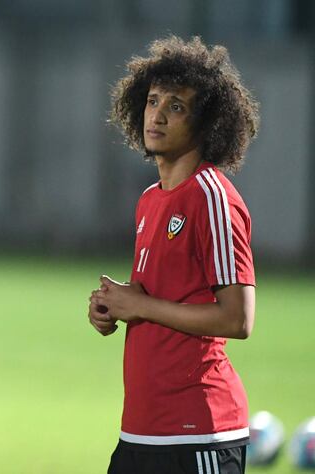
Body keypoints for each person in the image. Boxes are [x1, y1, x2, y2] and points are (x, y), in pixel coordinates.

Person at [88, 36, 260, 474]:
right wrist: (116, 308)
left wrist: (140, 304)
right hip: (141, 431)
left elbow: (237, 319)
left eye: (177, 106)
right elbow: (162, 297)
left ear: (206, 124)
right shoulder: (150, 200)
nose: (158, 115)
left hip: (199, 433)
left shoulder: (211, 197)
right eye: (152, 101)